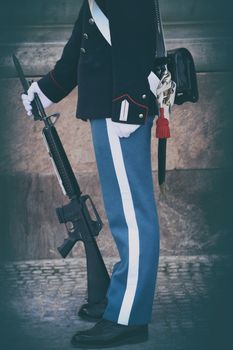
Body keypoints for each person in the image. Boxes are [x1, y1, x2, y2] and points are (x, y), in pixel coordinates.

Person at [21, 0, 160, 348]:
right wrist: (48, 88)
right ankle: (121, 301)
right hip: (109, 99)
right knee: (123, 213)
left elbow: (135, 19)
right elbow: (89, 29)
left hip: (119, 103)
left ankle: (128, 316)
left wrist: (129, 101)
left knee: (132, 214)